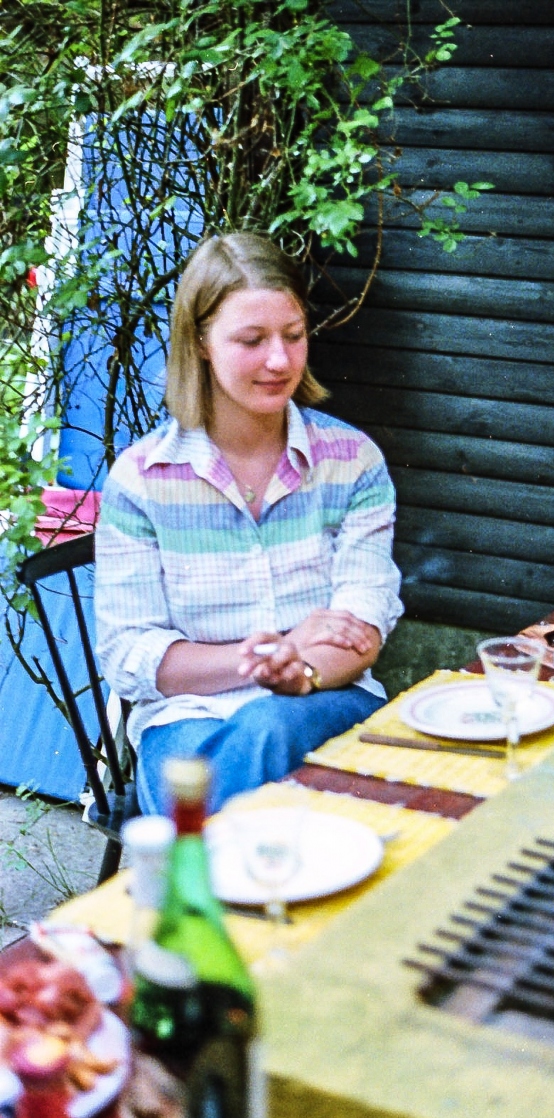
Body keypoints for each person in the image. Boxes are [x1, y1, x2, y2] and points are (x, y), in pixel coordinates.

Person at [94, 232, 403, 815]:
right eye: (252, 340)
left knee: (263, 731)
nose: (279, 360)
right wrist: (271, 652)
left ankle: (193, 861)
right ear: (201, 342)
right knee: (222, 775)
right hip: (186, 719)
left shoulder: (352, 461)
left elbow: (363, 625)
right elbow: (130, 654)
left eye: (294, 335)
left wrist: (301, 671)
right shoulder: (142, 479)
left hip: (323, 698)